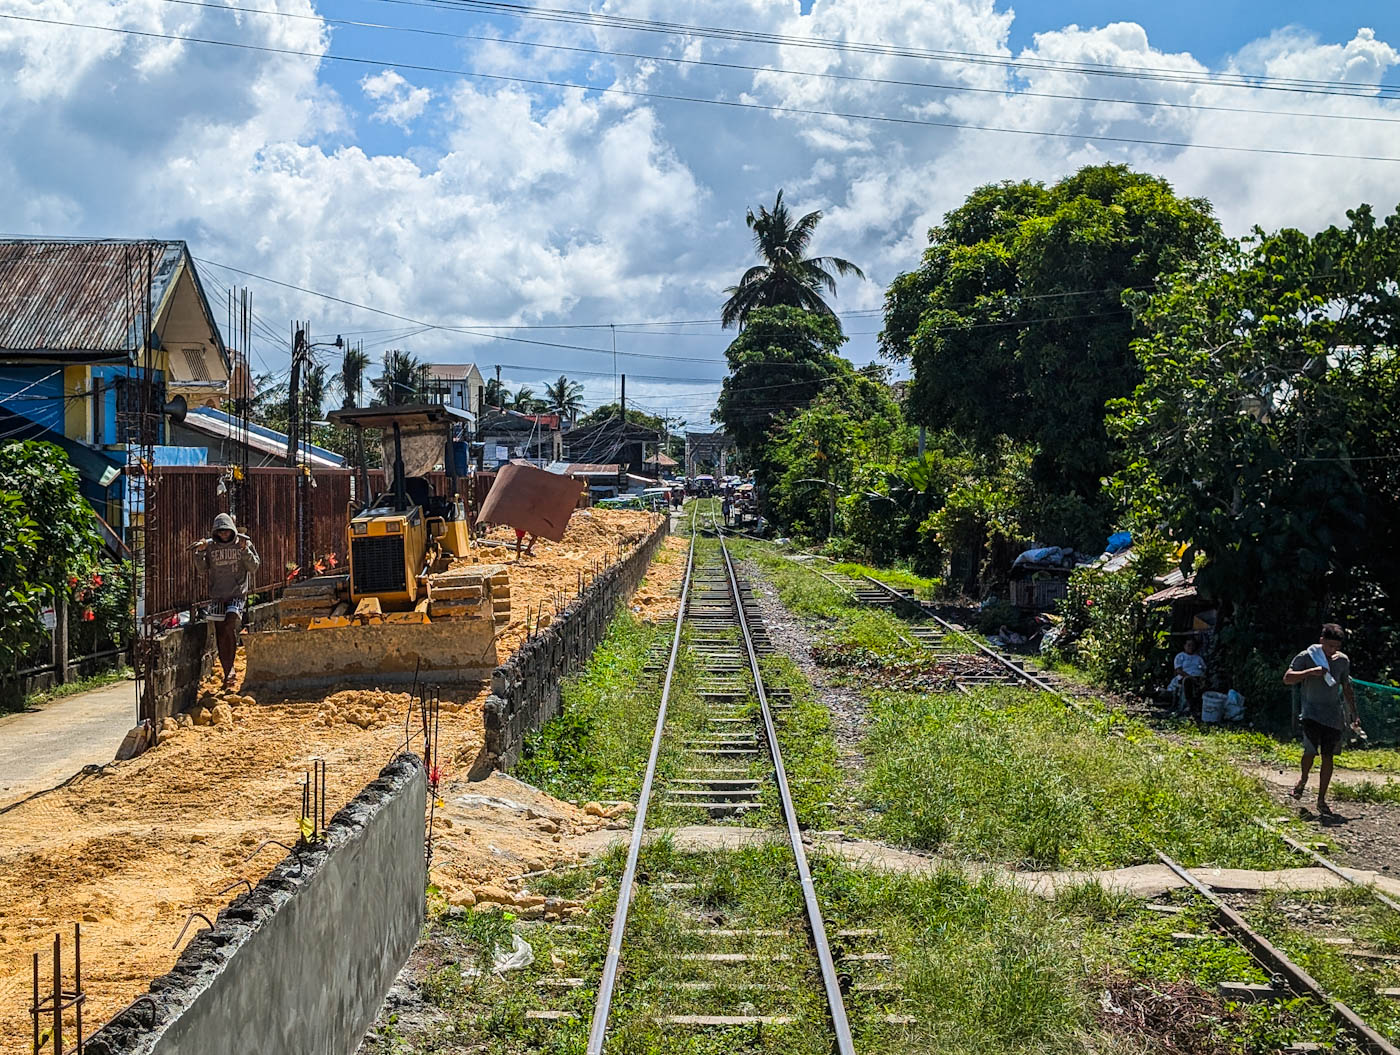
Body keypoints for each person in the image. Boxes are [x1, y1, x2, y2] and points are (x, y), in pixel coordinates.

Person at [1283, 623, 1362, 816]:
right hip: (1311, 712)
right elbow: (1288, 678)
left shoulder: (1342, 661)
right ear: (1321, 642)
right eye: (1328, 646)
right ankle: (1303, 779)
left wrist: (1354, 713)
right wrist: (1309, 672)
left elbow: (1347, 687)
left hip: (1334, 715)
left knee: (1328, 756)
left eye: (1336, 647)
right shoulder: (1307, 656)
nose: (1332, 651)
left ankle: (1322, 799)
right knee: (1310, 751)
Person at [193, 513, 260, 690]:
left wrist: (245, 550)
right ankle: (227, 670)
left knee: (230, 621)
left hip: (237, 594)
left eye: (226, 531)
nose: (224, 535)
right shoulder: (210, 547)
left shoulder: (243, 544)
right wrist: (199, 553)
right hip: (217, 595)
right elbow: (202, 569)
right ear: (216, 532)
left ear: (232, 530)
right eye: (220, 532)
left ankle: (230, 670)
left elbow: (253, 567)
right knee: (220, 632)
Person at [1173, 637, 1207, 717]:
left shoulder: (1198, 658)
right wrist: (1191, 677)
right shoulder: (1180, 656)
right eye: (1189, 645)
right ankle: (1189, 705)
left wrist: (1202, 677)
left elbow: (1204, 669)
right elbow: (1178, 670)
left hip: (1198, 677)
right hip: (1185, 677)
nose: (1191, 647)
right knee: (1188, 681)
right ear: (1184, 646)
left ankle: (1200, 707)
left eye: (1192, 645)